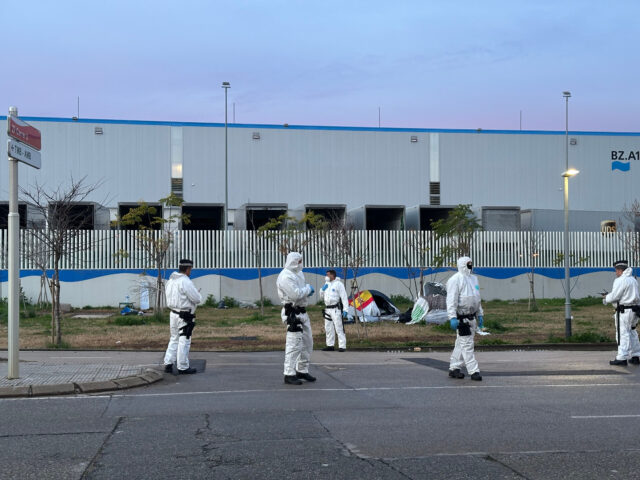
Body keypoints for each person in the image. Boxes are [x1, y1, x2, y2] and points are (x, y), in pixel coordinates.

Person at [277, 252, 316, 385]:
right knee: (294, 344)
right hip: (292, 313)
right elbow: (295, 294)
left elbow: (301, 292)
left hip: (302, 311)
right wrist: (307, 289)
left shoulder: (299, 273)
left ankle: (302, 370)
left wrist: (305, 291)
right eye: (299, 261)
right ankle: (289, 373)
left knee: (307, 343)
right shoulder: (285, 276)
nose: (300, 263)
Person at [447, 256, 484, 381]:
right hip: (462, 318)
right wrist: (452, 317)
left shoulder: (473, 279)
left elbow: (476, 298)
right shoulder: (455, 280)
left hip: (472, 317)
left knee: (461, 344)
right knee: (467, 345)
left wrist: (480, 313)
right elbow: (451, 300)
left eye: (471, 263)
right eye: (468, 264)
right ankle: (474, 371)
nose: (470, 266)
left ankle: (454, 368)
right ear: (462, 265)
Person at [163, 259, 203, 374]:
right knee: (184, 340)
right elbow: (197, 299)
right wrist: (197, 293)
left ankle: (168, 363)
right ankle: (183, 366)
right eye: (190, 269)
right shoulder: (185, 281)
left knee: (174, 338)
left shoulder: (171, 280)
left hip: (173, 313)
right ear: (188, 269)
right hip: (185, 315)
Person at [602, 260, 640, 366]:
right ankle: (636, 355)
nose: (616, 273)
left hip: (624, 311)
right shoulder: (633, 280)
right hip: (634, 310)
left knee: (622, 333)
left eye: (616, 270)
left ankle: (622, 357)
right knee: (632, 332)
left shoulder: (620, 280)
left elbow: (615, 296)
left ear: (620, 270)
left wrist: (606, 297)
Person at [320, 269, 350, 352]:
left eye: (328, 274)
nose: (326, 276)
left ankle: (342, 346)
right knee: (328, 328)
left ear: (332, 275)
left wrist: (345, 309)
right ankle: (330, 345)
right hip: (327, 309)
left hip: (335, 309)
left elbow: (344, 297)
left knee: (339, 327)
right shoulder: (327, 284)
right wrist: (322, 290)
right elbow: (322, 297)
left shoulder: (338, 284)